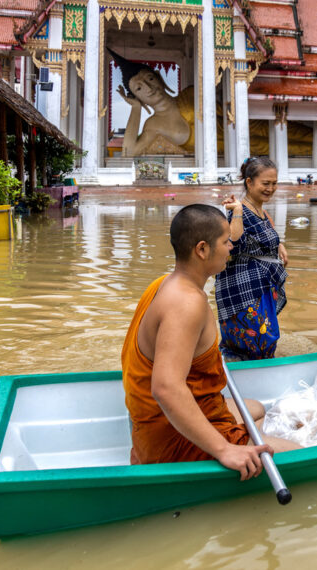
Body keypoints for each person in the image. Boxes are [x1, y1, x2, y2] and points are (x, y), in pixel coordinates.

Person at [121, 204, 299, 479]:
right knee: (301, 452)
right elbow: (166, 388)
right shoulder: (186, 303)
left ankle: (246, 438)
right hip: (169, 444)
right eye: (226, 241)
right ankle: (234, 445)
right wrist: (223, 450)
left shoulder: (163, 283)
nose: (231, 247)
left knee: (256, 409)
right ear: (202, 249)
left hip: (157, 425)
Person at [215, 157, 289, 361]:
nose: (271, 188)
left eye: (274, 183)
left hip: (260, 285)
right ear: (249, 182)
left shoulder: (261, 210)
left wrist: (279, 245)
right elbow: (233, 244)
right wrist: (237, 211)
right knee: (257, 337)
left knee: (266, 334)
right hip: (243, 288)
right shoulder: (238, 210)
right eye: (266, 183)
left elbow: (266, 233)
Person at [108, 49, 223, 157]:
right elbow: (129, 153)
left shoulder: (190, 93)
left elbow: (226, 114)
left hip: (232, 150)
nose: (148, 88)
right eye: (139, 88)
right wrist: (136, 107)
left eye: (150, 79)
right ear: (139, 98)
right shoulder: (153, 124)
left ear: (159, 78)